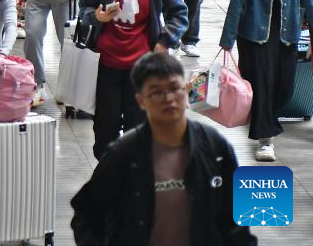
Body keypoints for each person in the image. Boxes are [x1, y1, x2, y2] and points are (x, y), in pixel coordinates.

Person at [70, 52, 256, 246]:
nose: (169, 99)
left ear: (186, 91)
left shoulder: (215, 148)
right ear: (141, 101)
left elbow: (236, 220)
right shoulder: (122, 154)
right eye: (157, 92)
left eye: (174, 89)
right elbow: (86, 213)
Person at [80, 0, 188, 159]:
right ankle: (108, 174)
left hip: (142, 69)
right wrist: (98, 17)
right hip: (106, 64)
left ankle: (133, 179)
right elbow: (84, 10)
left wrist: (163, 42)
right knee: (105, 128)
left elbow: (179, 13)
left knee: (138, 128)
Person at [221, 0, 313, 162]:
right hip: (254, 33)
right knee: (261, 85)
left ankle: (264, 118)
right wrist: (227, 40)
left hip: (287, 33)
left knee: (285, 89)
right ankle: (265, 140)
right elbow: (237, 1)